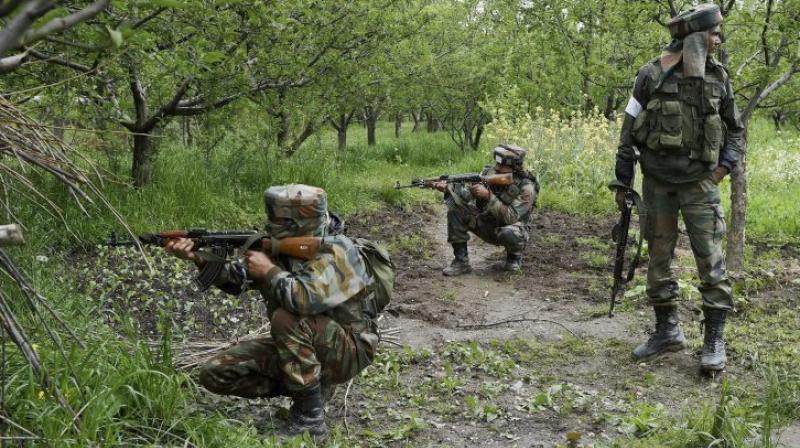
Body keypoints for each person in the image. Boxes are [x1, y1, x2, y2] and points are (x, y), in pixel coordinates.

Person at [165, 184, 384, 439]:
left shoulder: (339, 252)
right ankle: (309, 387)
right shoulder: (279, 248)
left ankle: (310, 420)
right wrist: (199, 258)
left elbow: (304, 300)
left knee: (287, 318)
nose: (269, 227)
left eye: (278, 222)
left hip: (348, 350)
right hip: (308, 346)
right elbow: (237, 281)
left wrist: (268, 270)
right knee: (215, 372)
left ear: (295, 224)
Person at [612, 3, 745, 373]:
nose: (718, 41)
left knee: (711, 262)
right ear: (695, 38)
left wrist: (720, 170)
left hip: (699, 185)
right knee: (658, 260)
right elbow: (627, 134)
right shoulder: (650, 75)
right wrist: (622, 182)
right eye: (713, 35)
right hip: (657, 185)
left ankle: (713, 340)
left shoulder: (719, 78)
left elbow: (735, 131)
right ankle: (666, 332)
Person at [433, 144, 538, 275]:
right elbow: (466, 196)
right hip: (487, 225)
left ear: (514, 167)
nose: (497, 167)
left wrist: (488, 196)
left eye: (502, 165)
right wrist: (449, 188)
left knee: (509, 233)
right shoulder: (488, 174)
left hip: (512, 231)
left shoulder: (526, 187)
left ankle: (513, 259)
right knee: (456, 211)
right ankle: (461, 262)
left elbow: (512, 217)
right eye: (497, 163)